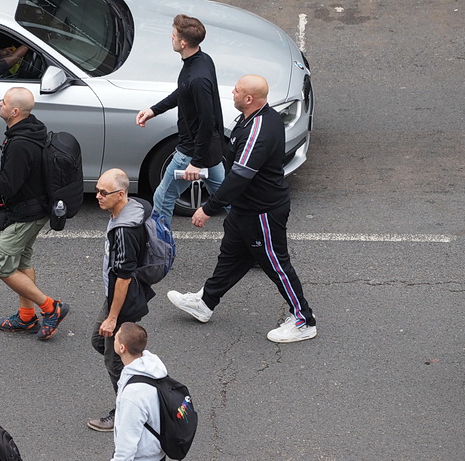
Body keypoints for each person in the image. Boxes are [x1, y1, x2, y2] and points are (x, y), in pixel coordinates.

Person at [167, 75, 317, 343]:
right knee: (231, 256)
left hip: (263, 212)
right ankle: (205, 303)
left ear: (249, 99)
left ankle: (304, 320)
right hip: (245, 209)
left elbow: (239, 176)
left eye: (237, 90)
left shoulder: (258, 129)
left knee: (276, 265)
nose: (232, 93)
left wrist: (208, 208)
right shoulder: (251, 118)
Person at [0, 87, 69, 341]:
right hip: (38, 208)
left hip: (26, 214)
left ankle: (51, 308)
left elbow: (7, 185)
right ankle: (26, 317)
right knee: (22, 262)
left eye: (4, 102)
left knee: (3, 267)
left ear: (15, 111)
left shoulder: (20, 144)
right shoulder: (32, 127)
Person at [136, 14, 226, 225]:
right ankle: (255, 240)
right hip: (210, 149)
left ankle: (160, 249)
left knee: (162, 198)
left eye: (174, 35)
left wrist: (195, 162)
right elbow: (183, 93)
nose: (171, 37)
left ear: (183, 42)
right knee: (228, 198)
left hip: (190, 151)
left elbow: (207, 121)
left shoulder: (198, 78)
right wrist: (154, 110)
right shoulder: (202, 60)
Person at [88, 169, 155, 432]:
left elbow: (124, 278)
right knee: (99, 341)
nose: (98, 196)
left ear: (120, 194)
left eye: (104, 192)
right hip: (115, 296)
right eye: (97, 190)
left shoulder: (125, 231)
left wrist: (113, 317)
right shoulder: (131, 208)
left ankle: (125, 412)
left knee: (114, 359)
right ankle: (138, 368)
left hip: (122, 300)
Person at [111, 322, 166, 461]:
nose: (113, 338)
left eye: (116, 338)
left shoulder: (133, 395)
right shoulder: (153, 368)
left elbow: (127, 442)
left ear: (122, 348)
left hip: (143, 457)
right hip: (158, 452)